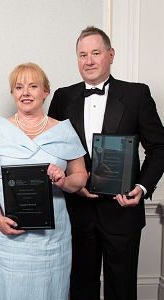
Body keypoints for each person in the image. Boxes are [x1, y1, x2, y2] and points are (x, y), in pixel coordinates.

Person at [48, 26, 164, 300]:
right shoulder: (63, 97)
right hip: (76, 212)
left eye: (95, 53)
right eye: (82, 54)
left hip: (122, 211)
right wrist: (72, 184)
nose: (88, 61)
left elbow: (159, 147)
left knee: (121, 290)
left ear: (110, 55)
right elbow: (50, 150)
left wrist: (141, 187)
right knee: (79, 288)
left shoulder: (136, 95)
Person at [0, 62, 88, 300]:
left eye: (33, 86)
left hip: (51, 238)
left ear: (46, 91)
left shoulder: (64, 131)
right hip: (5, 233)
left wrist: (63, 181)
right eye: (18, 87)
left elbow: (81, 176)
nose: (25, 93)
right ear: (13, 93)